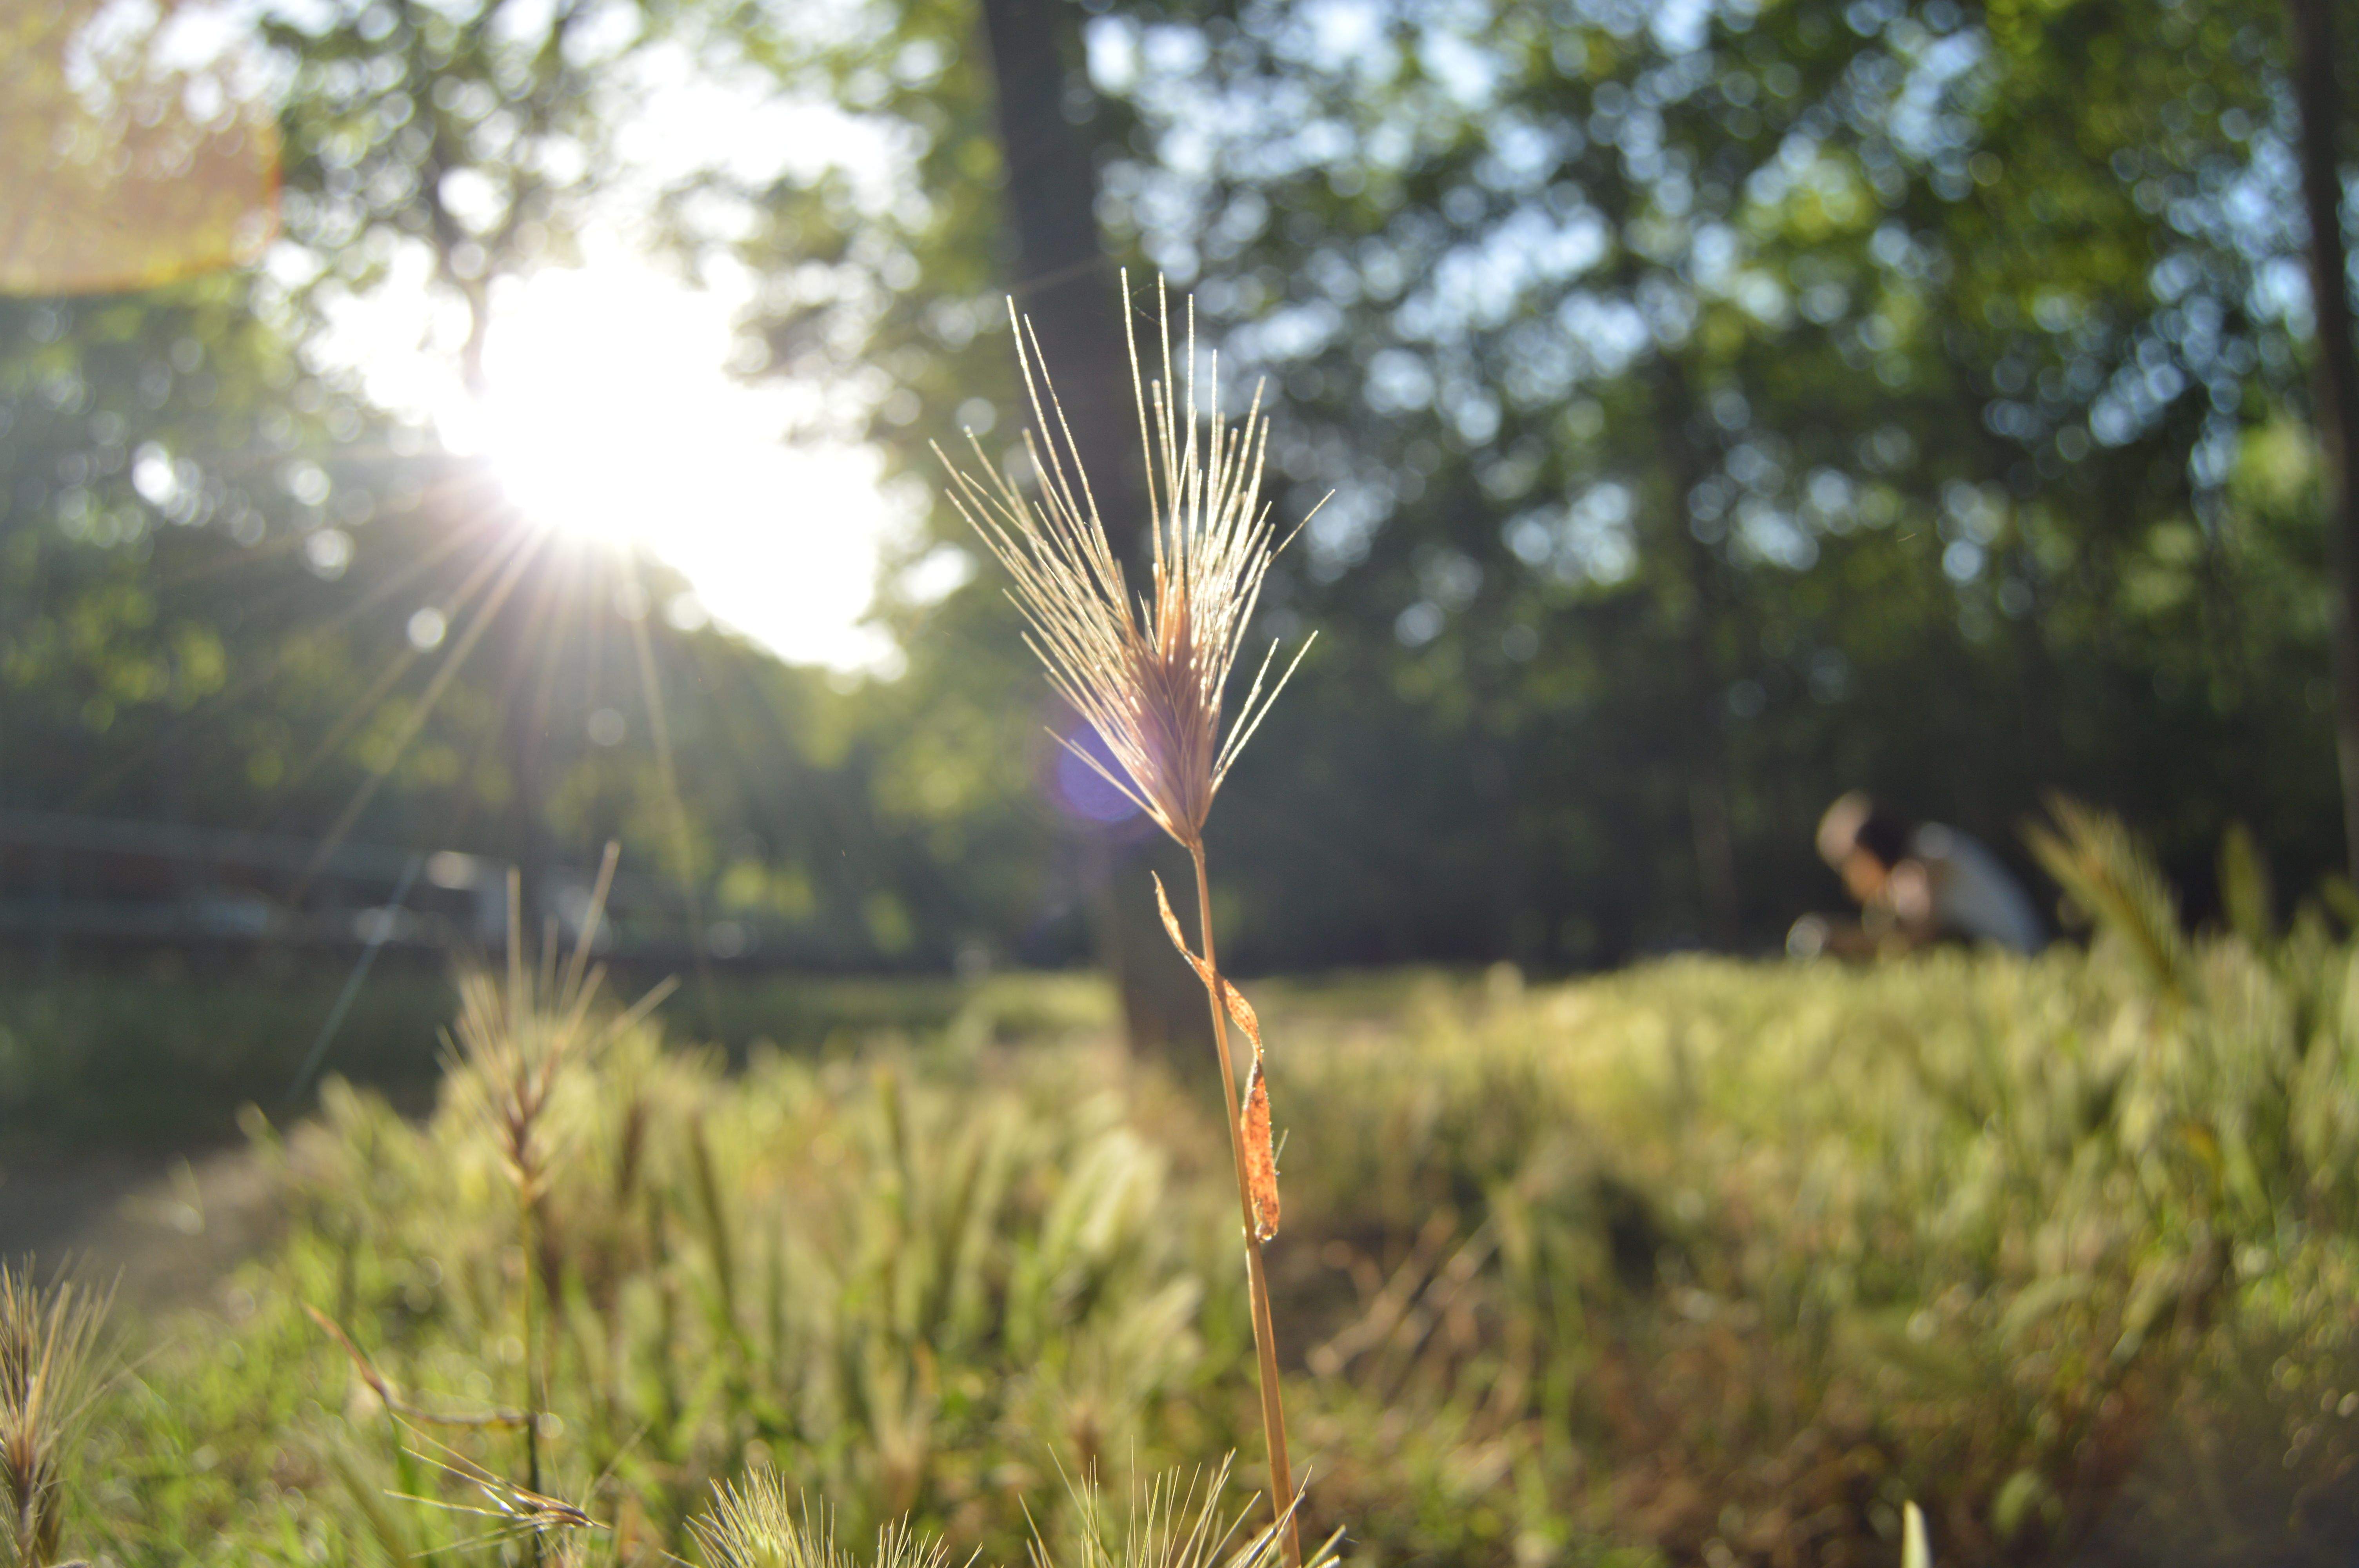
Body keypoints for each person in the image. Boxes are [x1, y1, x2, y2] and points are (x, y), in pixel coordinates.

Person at [1792, 792, 2045, 957]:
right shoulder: (1915, 866)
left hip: (2017, 956)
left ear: (1867, 851)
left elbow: (1920, 935)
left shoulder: (1930, 854)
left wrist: (1843, 940)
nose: (1847, 879)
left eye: (1845, 865)